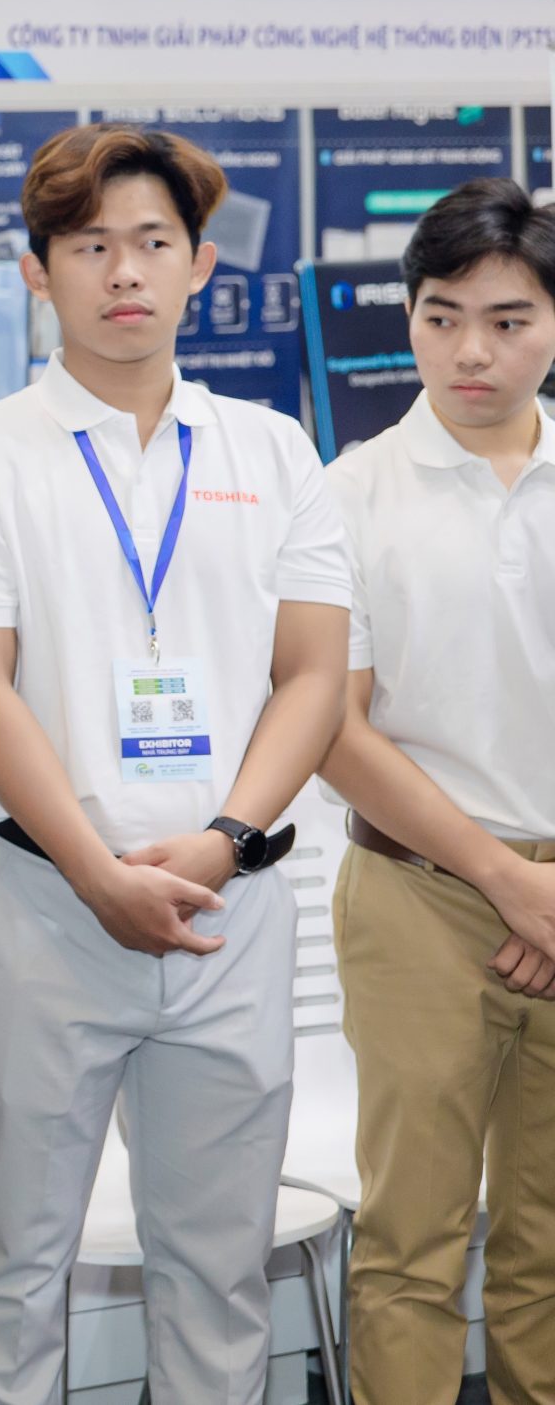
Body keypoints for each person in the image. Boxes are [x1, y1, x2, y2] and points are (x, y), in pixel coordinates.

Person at [0, 123, 352, 1403]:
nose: (123, 272)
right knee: (15, 1266)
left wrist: (223, 842)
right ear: (36, 271)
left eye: (152, 242)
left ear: (201, 264)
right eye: (89, 245)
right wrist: (97, 871)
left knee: (216, 1268)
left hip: (228, 906)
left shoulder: (270, 450)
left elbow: (312, 676)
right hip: (46, 907)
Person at [316, 178, 555, 1403]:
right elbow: (332, 729)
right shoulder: (347, 494)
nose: (471, 352)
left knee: (548, 1248)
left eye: (508, 321)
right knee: (410, 1241)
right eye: (440, 316)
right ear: (405, 317)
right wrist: (507, 881)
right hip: (419, 896)